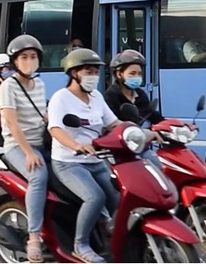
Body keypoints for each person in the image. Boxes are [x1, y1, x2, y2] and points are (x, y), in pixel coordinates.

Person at [48, 49, 142, 263]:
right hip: (69, 163)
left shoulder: (96, 96)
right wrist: (76, 145)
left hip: (96, 160)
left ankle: (115, 242)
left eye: (95, 72)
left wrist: (136, 132)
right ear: (74, 73)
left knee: (119, 199)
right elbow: (55, 129)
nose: (93, 76)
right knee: (94, 197)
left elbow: (113, 123)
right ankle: (80, 246)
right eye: (88, 71)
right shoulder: (60, 98)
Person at [0, 35, 49, 263]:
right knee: (38, 177)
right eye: (24, 57)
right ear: (15, 61)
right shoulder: (8, 86)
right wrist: (28, 153)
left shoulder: (39, 84)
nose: (29, 61)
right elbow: (12, 123)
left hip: (43, 143)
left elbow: (44, 115)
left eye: (33, 57)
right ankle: (35, 237)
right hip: (17, 146)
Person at [104, 49, 163, 168]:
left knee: (158, 166)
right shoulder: (111, 96)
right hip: (117, 150)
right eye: (132, 73)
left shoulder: (140, 94)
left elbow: (151, 114)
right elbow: (111, 125)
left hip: (137, 145)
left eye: (139, 74)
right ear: (119, 74)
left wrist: (167, 126)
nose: (137, 77)